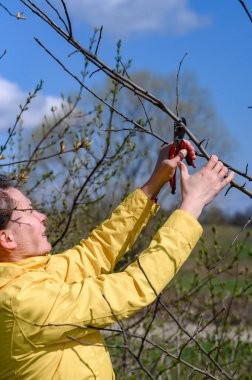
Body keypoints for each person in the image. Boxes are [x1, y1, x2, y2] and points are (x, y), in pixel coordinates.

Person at [0, 143, 234, 379]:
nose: (42, 216)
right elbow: (132, 286)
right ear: (6, 238)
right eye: (29, 212)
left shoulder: (30, 275)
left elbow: (96, 252)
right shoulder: (20, 303)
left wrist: (154, 183)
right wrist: (191, 206)